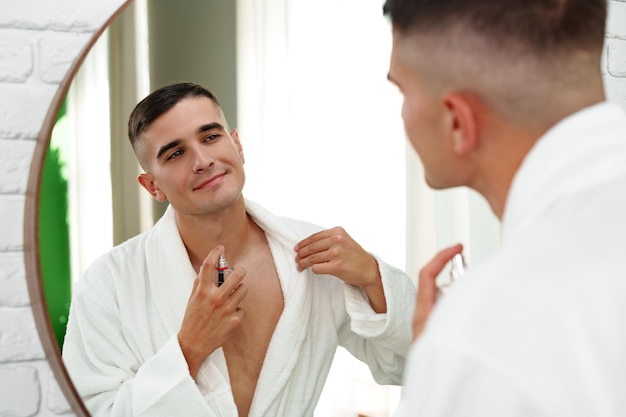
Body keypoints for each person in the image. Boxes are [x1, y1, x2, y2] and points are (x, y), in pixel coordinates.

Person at [62, 82, 416, 417]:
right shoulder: (108, 284)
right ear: (153, 186)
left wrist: (373, 278)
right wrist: (188, 349)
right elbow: (85, 409)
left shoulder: (313, 260)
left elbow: (411, 364)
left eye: (211, 136)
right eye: (176, 153)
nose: (202, 160)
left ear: (238, 145)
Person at [383, 0, 626, 416]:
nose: (402, 112)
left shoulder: (483, 337)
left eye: (403, 90)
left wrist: (441, 373)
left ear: (458, 122)